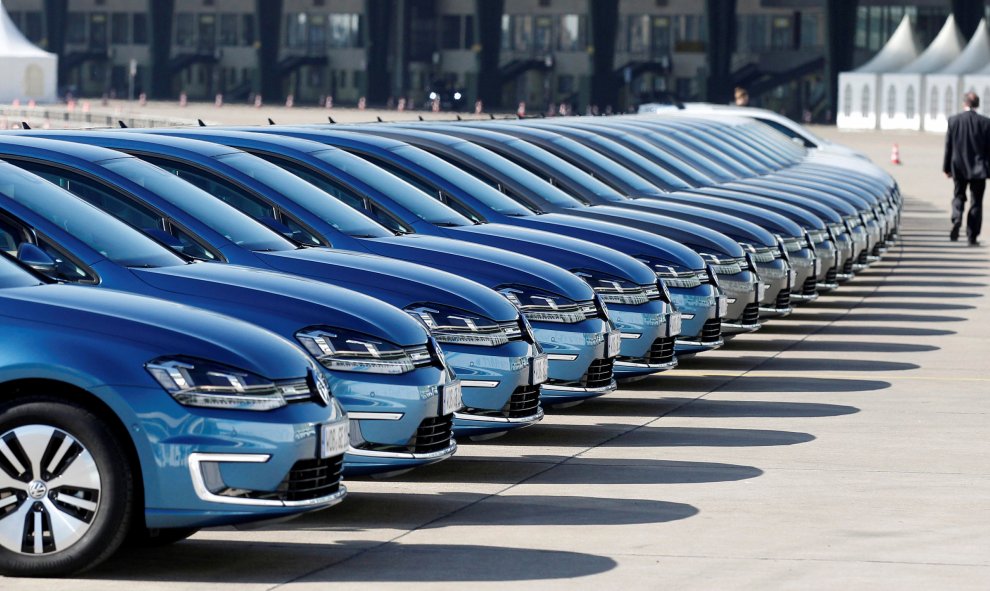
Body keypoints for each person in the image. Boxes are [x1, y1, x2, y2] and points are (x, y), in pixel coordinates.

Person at [943, 91, 990, 245]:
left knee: (958, 196)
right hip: (979, 169)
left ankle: (957, 219)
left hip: (959, 167)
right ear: (977, 104)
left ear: (964, 103)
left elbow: (948, 146)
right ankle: (972, 236)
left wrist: (946, 167)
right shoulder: (985, 122)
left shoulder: (954, 121)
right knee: (976, 202)